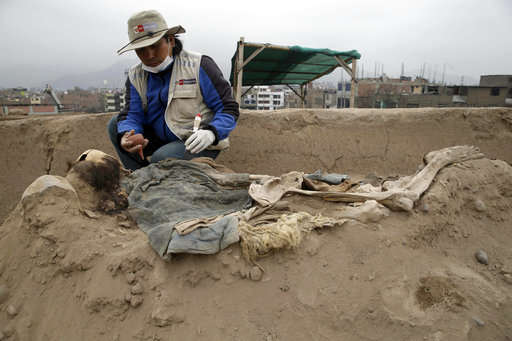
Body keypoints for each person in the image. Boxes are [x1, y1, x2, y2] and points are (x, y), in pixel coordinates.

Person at [108, 10, 239, 171]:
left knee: (162, 158)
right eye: (141, 50)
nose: (149, 55)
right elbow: (132, 114)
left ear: (171, 41)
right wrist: (127, 135)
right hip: (159, 139)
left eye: (155, 46)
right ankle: (139, 176)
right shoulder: (136, 76)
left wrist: (211, 133)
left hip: (196, 140)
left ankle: (158, 174)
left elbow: (228, 107)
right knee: (116, 126)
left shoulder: (198, 65)